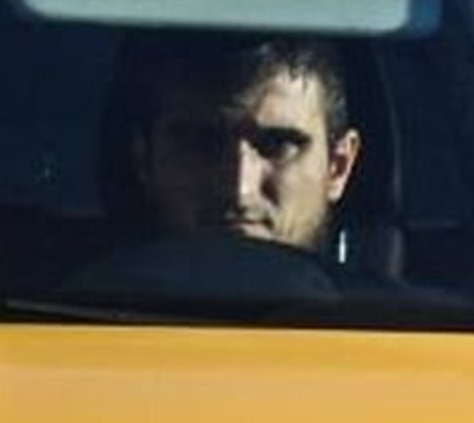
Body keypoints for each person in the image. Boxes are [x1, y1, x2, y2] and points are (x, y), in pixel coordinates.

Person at [123, 33, 363, 258]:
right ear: (145, 159)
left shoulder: (380, 294)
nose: (240, 190)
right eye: (201, 144)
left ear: (338, 166)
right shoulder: (98, 287)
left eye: (277, 145)